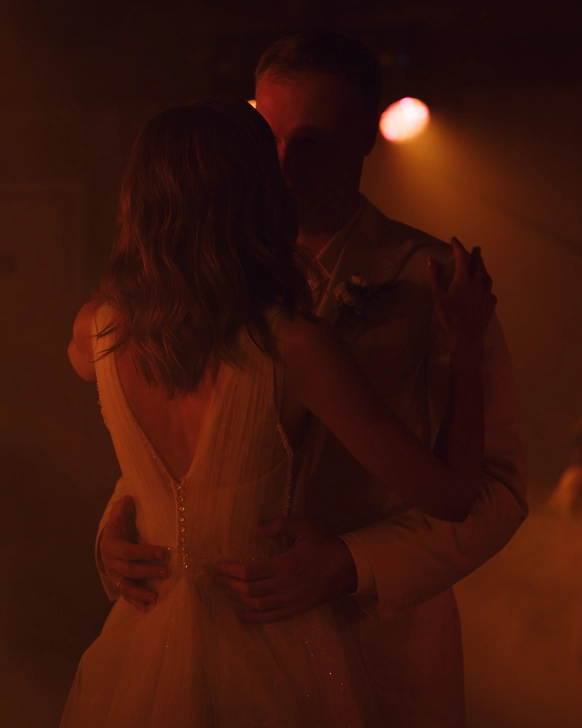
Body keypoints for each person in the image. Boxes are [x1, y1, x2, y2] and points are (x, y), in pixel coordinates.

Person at [95, 31, 527, 727]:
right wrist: (119, 533)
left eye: (312, 142)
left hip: (380, 649)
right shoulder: (206, 295)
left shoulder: (432, 282)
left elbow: (495, 490)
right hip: (205, 642)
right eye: (268, 140)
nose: (284, 166)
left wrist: (353, 563)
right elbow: (189, 456)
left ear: (367, 135)